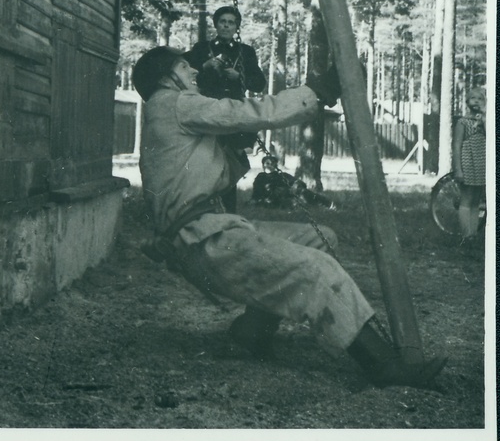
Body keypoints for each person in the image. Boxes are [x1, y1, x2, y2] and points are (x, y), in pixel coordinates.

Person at [133, 45, 447, 387]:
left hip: (207, 232)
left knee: (318, 238)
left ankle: (254, 331)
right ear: (166, 78)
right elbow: (251, 111)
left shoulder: (169, 111)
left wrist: (235, 143)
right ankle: (383, 365)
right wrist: (320, 90)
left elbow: (210, 171)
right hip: (202, 240)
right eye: (184, 67)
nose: (193, 71)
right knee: (315, 268)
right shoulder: (172, 102)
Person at [184, 5, 267, 211]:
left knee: (230, 163)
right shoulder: (201, 49)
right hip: (207, 112)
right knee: (206, 161)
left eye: (231, 22)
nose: (226, 26)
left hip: (233, 114)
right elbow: (184, 74)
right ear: (216, 25)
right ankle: (204, 210)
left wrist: (240, 77)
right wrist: (204, 67)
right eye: (223, 22)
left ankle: (229, 212)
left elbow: (259, 83)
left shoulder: (246, 52)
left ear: (236, 27)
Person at [452, 89, 486, 239]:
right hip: (467, 162)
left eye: (480, 98)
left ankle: (473, 233)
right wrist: (458, 169)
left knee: (476, 200)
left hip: (480, 163)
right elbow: (457, 145)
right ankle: (466, 234)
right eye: (473, 98)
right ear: (467, 102)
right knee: (466, 198)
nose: (476, 101)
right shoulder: (462, 122)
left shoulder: (485, 122)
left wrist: (483, 121)